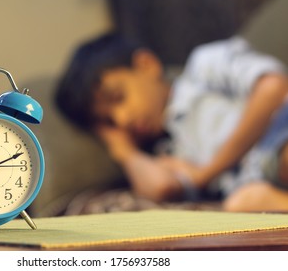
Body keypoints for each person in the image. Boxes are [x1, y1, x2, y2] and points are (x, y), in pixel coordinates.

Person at [55, 33, 288, 212]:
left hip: (280, 136)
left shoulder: (202, 68)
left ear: (147, 65)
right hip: (258, 185)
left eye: (118, 97)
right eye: (109, 121)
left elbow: (272, 88)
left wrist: (207, 173)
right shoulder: (167, 151)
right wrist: (123, 151)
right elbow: (161, 187)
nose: (122, 119)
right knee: (242, 204)